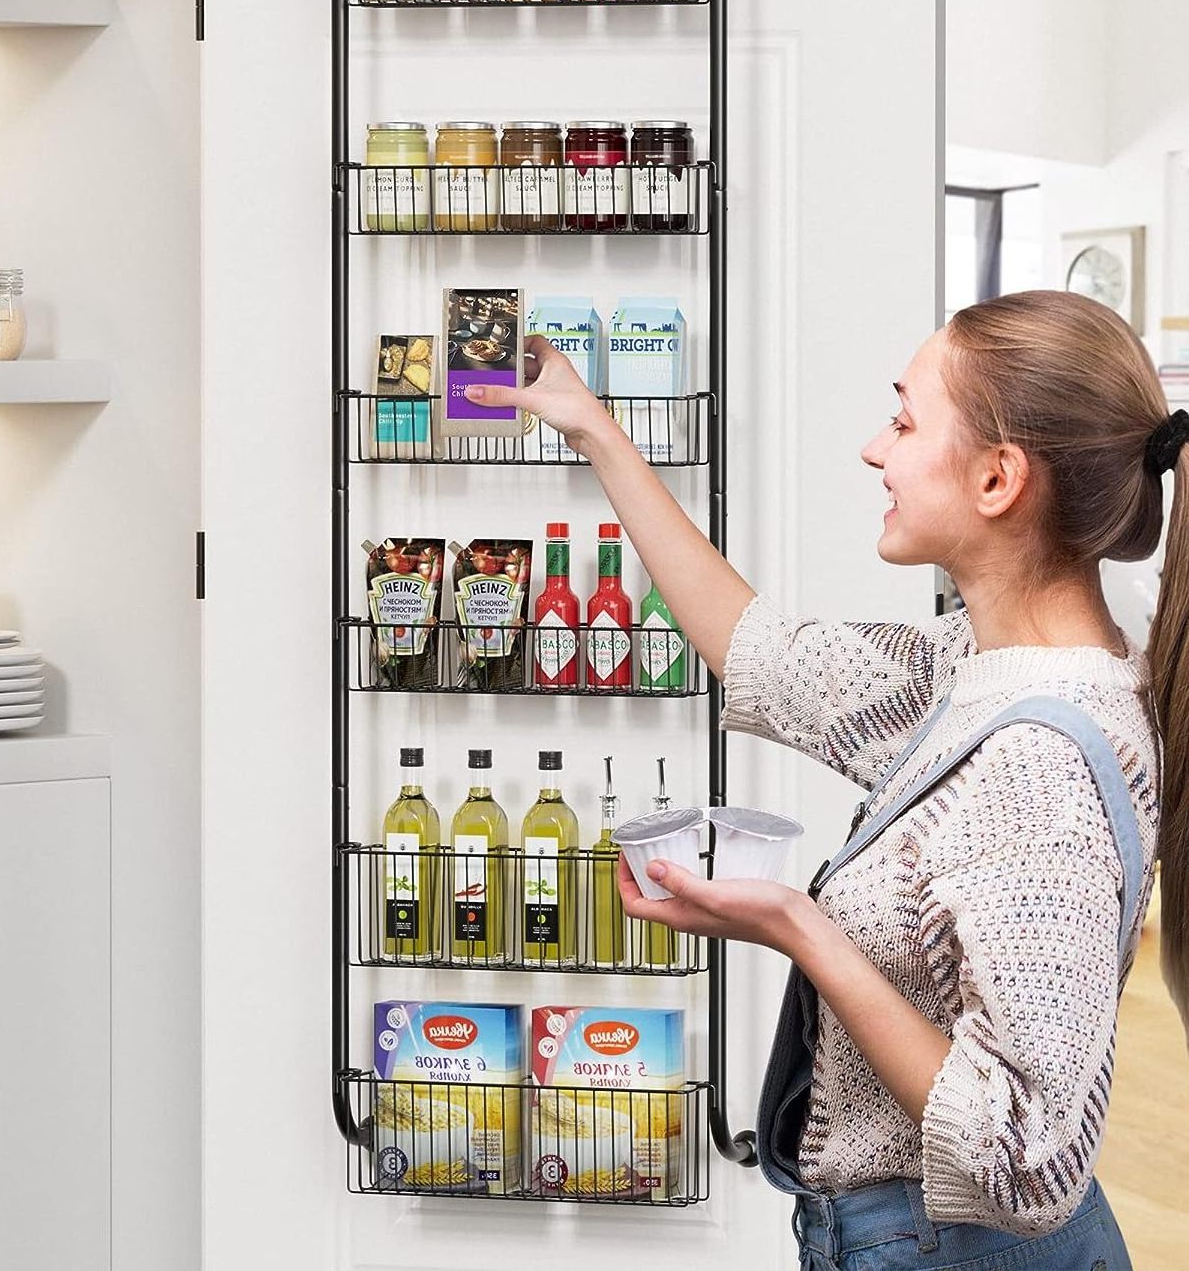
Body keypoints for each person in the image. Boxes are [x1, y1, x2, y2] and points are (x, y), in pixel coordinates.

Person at [465, 290, 1178, 1269]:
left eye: (904, 419)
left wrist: (796, 927)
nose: (873, 450)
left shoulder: (1037, 767)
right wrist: (595, 431)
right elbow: (766, 655)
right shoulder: (975, 670)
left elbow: (1023, 1162)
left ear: (997, 479)